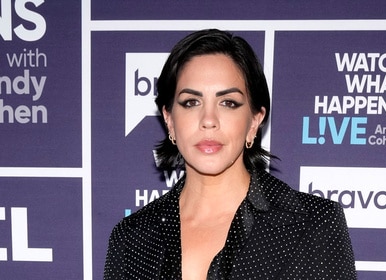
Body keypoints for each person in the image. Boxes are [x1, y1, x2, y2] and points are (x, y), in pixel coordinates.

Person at [104, 29, 356, 280]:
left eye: (228, 103)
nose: (209, 120)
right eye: (191, 102)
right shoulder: (132, 237)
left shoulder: (315, 224)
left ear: (255, 121)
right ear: (169, 119)